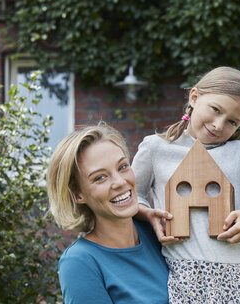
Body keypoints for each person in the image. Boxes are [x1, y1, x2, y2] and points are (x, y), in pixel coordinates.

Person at [132, 66, 240, 303]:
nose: (219, 125)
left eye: (232, 121)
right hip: (178, 273)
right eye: (215, 110)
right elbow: (132, 194)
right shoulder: (155, 148)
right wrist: (147, 213)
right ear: (194, 97)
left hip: (234, 276)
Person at [47, 124, 169, 304]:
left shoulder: (158, 231)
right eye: (100, 177)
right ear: (78, 194)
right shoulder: (79, 263)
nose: (120, 181)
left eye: (122, 167)